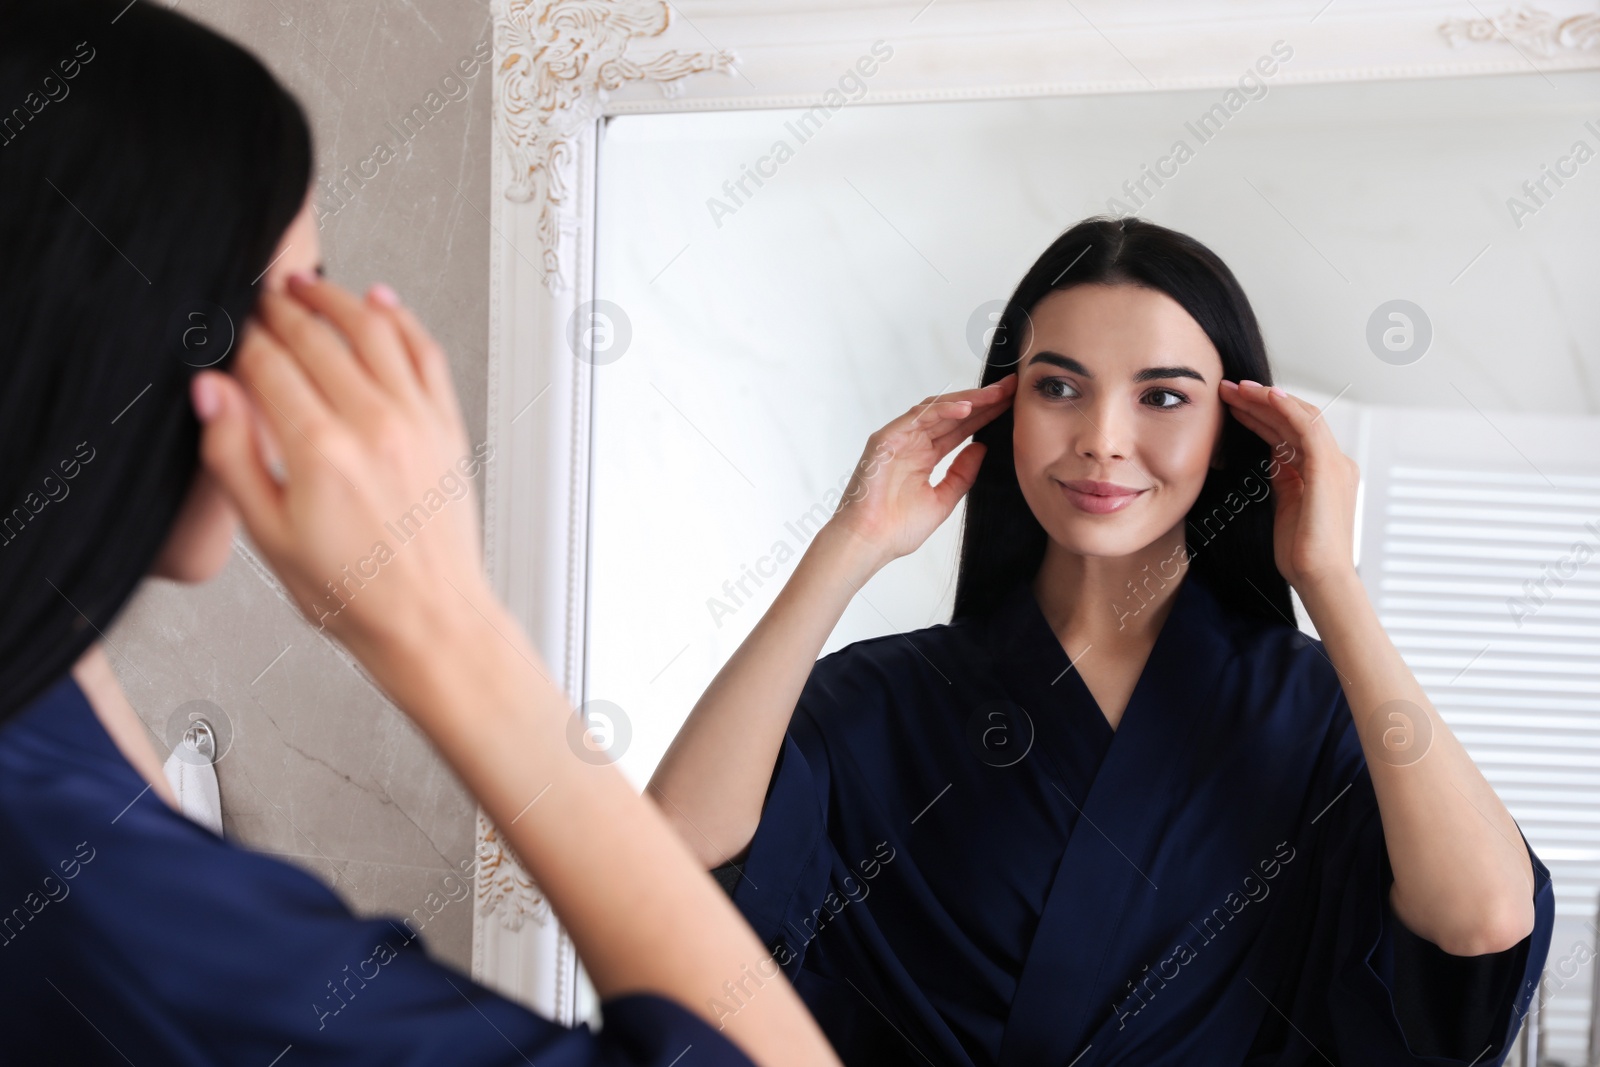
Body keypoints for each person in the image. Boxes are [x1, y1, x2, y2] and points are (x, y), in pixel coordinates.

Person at [0, 3, 841, 1064]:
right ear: (117, 342)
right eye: (287, 310)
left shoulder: (46, 716)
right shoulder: (109, 902)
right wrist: (444, 627)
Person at [648, 216, 1556, 1065]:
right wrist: (849, 545)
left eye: (1162, 395)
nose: (1102, 439)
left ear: (1231, 431)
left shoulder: (1307, 708)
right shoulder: (882, 698)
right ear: (1006, 411)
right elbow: (668, 867)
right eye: (1058, 387)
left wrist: (1331, 581)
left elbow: (1481, 924)